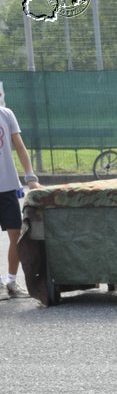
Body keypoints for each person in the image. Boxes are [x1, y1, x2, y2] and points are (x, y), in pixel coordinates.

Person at [0, 103, 39, 298]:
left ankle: (11, 281)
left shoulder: (6, 114)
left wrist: (30, 177)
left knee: (16, 234)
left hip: (7, 186)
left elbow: (20, 146)